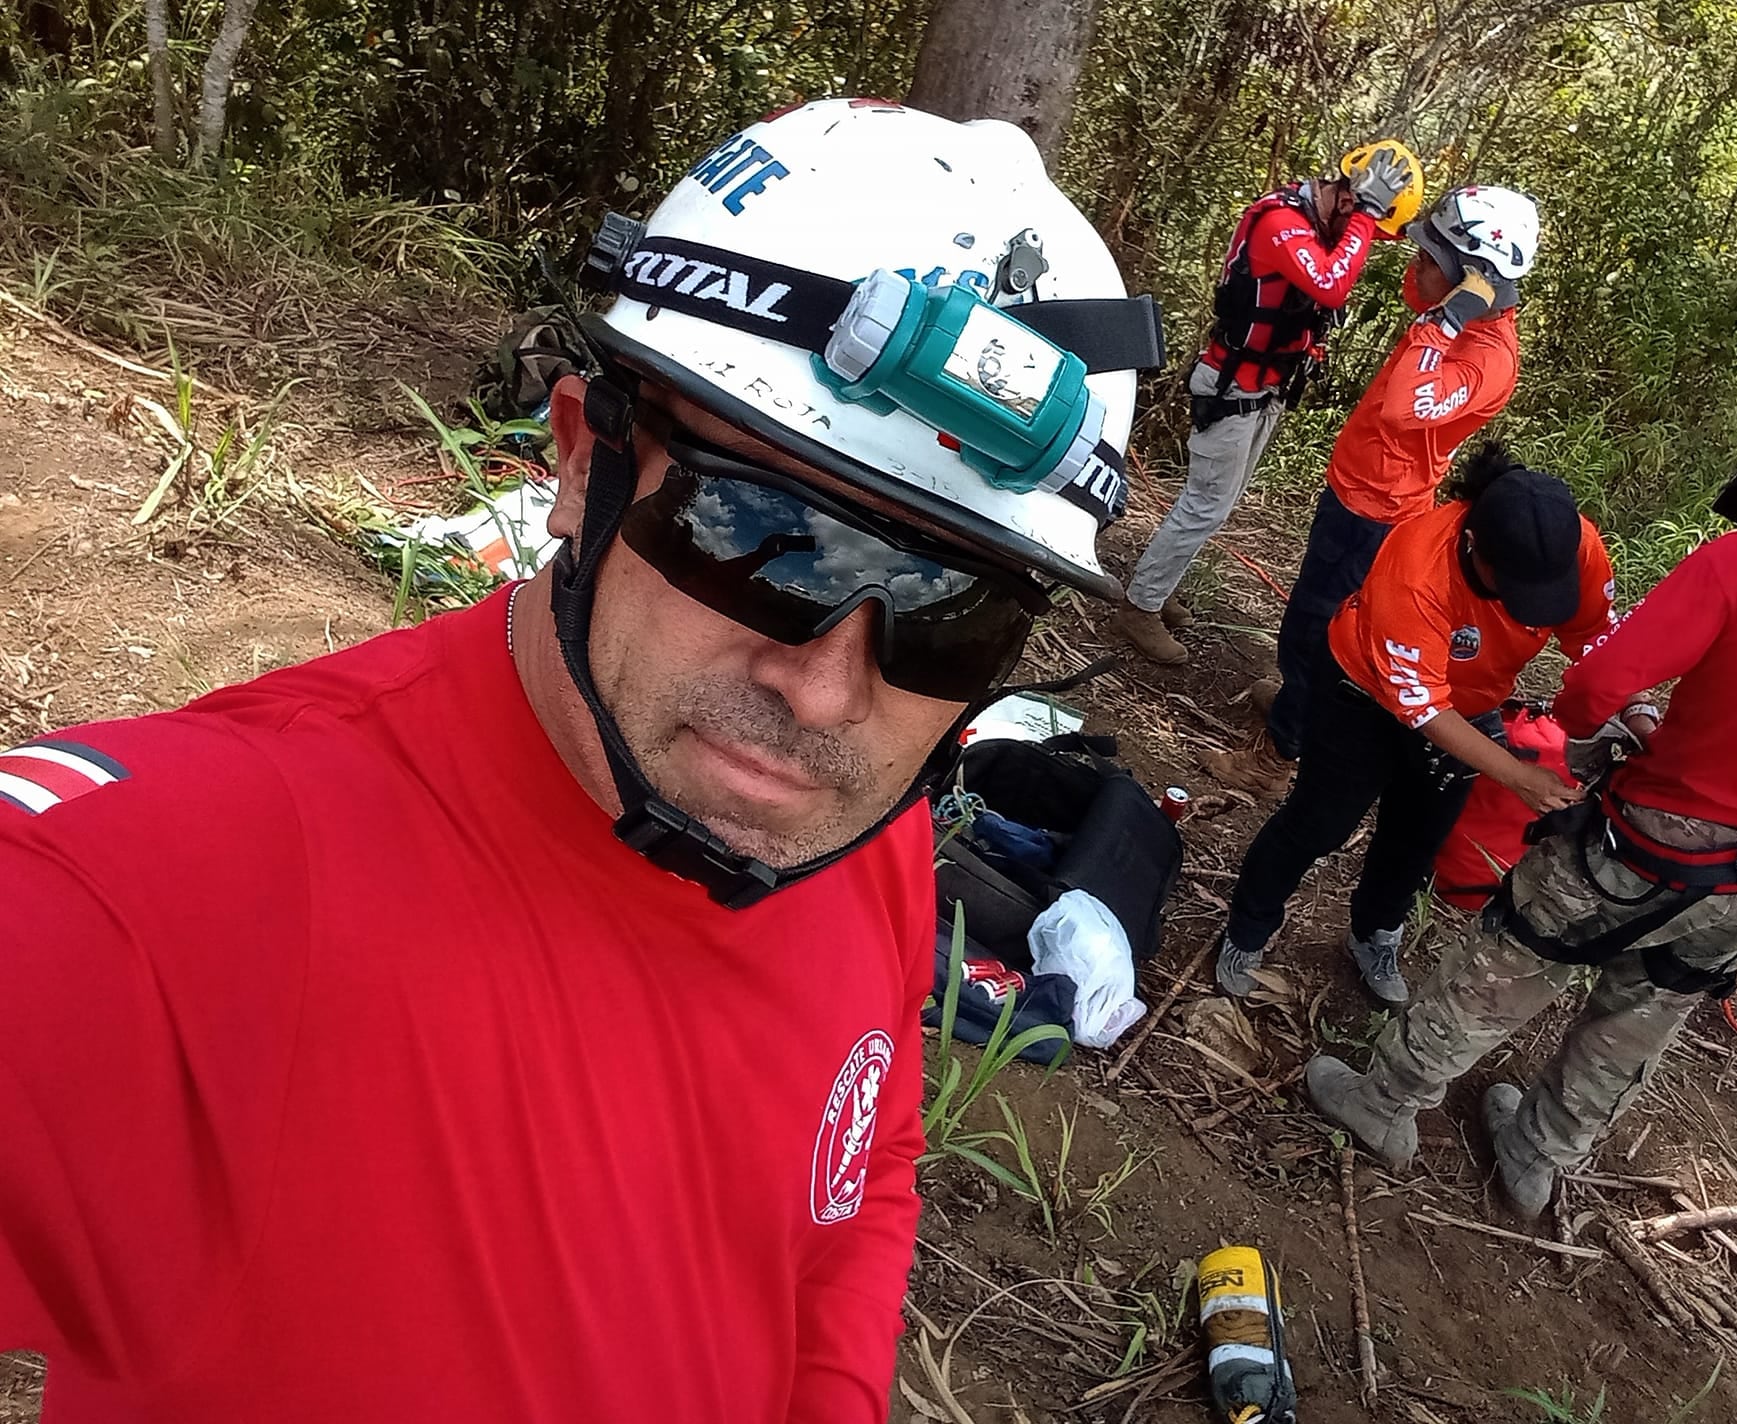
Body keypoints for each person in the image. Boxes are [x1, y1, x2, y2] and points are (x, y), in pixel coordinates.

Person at [0, 99, 1161, 1422]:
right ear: (579, 460)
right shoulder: (200, 889)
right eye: (758, 534)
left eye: (953, 614)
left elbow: (865, 1160)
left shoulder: (863, 822)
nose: (832, 688)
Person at [1303, 400, 1737, 1219]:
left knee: (1512, 960)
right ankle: (1538, 1156)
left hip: (1654, 835)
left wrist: (1569, 734)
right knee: (1649, 1006)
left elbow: (1597, 683)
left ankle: (1388, 1101)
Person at [1214, 443, 1617, 1006]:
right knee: (1319, 823)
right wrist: (1519, 776)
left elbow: (1594, 635)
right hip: (1364, 694)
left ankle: (1374, 932)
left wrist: (1630, 705)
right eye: (1516, 589)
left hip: (1470, 702)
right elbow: (1423, 709)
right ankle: (1248, 926)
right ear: (1475, 545)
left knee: (1417, 836)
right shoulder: (1417, 570)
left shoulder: (1568, 546)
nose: (1531, 606)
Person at [1204, 185, 1539, 796]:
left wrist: (1444, 321)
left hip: (1378, 506)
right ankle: (1296, 705)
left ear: (1471, 278)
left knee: (1314, 627)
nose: (1416, 267)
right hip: (1361, 488)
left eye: (1432, 258)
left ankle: (1278, 756)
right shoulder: (1456, 323)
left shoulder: (1484, 353)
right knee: (1312, 616)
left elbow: (1406, 408)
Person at [1107, 145, 1418, 665]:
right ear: (1348, 199)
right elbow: (1331, 285)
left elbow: (1332, 280)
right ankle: (1139, 607)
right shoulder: (1280, 223)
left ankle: (1156, 587)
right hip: (1230, 389)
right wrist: (1366, 215)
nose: (1366, 234)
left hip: (1265, 389)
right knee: (1203, 506)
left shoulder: (1322, 229)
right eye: (1365, 215)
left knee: (1215, 508)